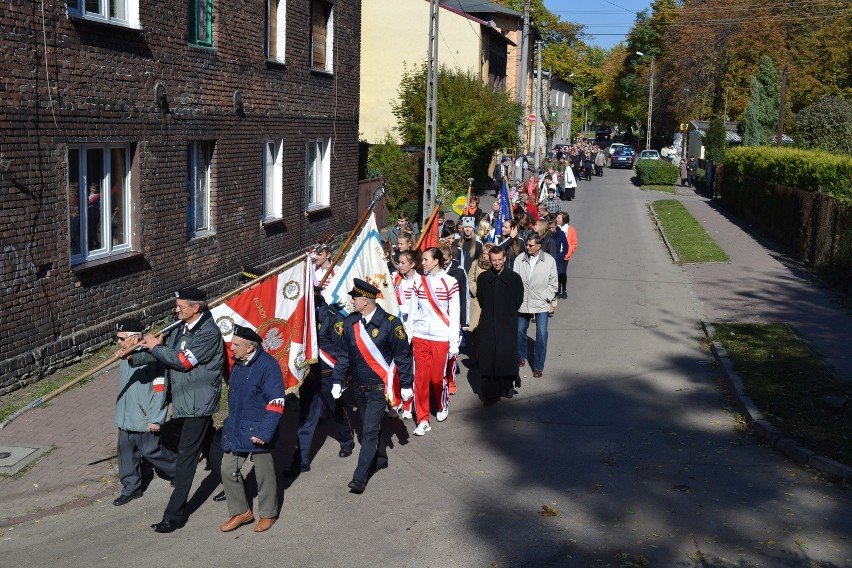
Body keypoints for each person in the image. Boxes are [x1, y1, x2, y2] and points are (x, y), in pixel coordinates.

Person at [137, 286, 225, 533]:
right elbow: (163, 356)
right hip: (186, 403)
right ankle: (234, 485)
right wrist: (134, 356)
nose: (175, 310)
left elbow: (183, 361)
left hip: (198, 405)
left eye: (180, 307)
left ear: (195, 308)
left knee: (186, 459)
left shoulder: (208, 333)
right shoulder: (180, 328)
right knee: (210, 447)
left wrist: (155, 347)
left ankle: (174, 516)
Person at [331, 279, 414, 494]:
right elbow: (343, 355)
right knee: (371, 427)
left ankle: (359, 478)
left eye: (355, 298)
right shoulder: (350, 323)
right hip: (358, 388)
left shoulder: (390, 323)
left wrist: (406, 384)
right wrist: (337, 380)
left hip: (378, 388)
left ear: (366, 301)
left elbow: (403, 356)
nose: (351, 301)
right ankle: (381, 458)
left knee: (368, 431)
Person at [218, 325, 285, 533]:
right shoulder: (238, 364)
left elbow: (276, 401)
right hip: (238, 428)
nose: (231, 348)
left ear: (250, 347)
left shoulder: (268, 366)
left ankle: (268, 513)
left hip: (259, 431)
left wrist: (264, 433)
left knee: (264, 475)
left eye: (236, 345)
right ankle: (241, 512)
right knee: (228, 470)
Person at [113, 318, 176, 507]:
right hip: (126, 415)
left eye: (121, 338)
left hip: (144, 417)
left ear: (134, 338)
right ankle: (130, 488)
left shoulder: (152, 356)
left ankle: (178, 469)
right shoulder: (125, 357)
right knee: (126, 455)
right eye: (117, 338)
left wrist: (156, 418)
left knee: (151, 450)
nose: (118, 342)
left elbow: (160, 388)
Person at [295, 288, 355, 471]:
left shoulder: (333, 317)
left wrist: (339, 378)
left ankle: (346, 440)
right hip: (309, 375)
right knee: (306, 418)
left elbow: (342, 351)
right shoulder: (301, 317)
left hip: (328, 374)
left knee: (337, 411)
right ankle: (301, 460)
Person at [405, 248, 460, 435]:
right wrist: (410, 334)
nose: (423, 262)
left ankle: (442, 404)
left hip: (440, 337)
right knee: (420, 378)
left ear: (436, 261)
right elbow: (413, 309)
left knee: (436, 378)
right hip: (420, 337)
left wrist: (453, 343)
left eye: (426, 259)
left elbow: (455, 314)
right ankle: (422, 419)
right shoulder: (418, 282)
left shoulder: (451, 283)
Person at [476, 246, 524, 404]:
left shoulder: (514, 278)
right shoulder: (483, 278)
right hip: (488, 324)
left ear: (504, 258)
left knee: (506, 357)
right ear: (489, 260)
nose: (496, 263)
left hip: (507, 323)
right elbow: (482, 300)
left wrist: (506, 314)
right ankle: (490, 393)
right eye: (493, 260)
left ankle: (507, 385)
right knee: (489, 359)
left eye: (499, 260)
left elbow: (518, 300)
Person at [514, 234, 558, 378]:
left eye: (530, 245)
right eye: (526, 245)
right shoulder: (519, 259)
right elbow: (514, 279)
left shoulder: (549, 261)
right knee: (520, 330)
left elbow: (553, 284)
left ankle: (538, 366)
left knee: (542, 334)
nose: (527, 247)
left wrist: (546, 297)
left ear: (539, 246)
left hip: (541, 304)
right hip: (523, 302)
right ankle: (521, 355)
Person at [392, 251, 420, 420]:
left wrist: (404, 309)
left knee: (410, 369)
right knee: (395, 368)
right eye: (399, 262)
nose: (399, 265)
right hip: (396, 330)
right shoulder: (395, 279)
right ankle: (395, 402)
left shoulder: (420, 281)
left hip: (413, 330)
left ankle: (409, 404)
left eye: (402, 263)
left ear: (413, 264)